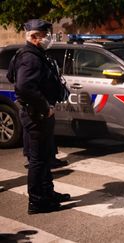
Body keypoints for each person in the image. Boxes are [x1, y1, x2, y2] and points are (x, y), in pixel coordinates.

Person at [7, 19, 71, 214]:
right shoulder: (30, 57)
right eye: (45, 35)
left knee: (44, 157)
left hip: (40, 114)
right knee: (37, 160)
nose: (48, 38)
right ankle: (37, 202)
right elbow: (23, 86)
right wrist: (44, 105)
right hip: (37, 115)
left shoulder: (32, 54)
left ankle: (47, 193)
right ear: (33, 37)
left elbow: (12, 76)